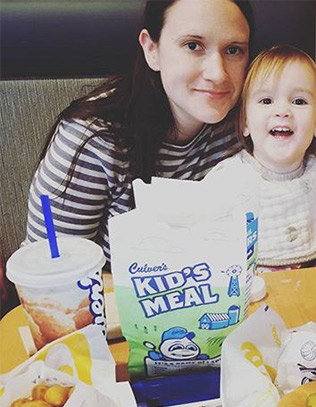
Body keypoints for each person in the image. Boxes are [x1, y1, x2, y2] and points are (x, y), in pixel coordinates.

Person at [25, 0, 253, 263]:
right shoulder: (94, 140)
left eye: (234, 50)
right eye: (193, 46)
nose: (218, 73)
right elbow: (51, 273)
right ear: (151, 49)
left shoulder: (250, 120)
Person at [203, 45, 316, 270]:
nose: (282, 111)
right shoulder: (228, 180)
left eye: (298, 101)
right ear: (245, 122)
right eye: (266, 101)